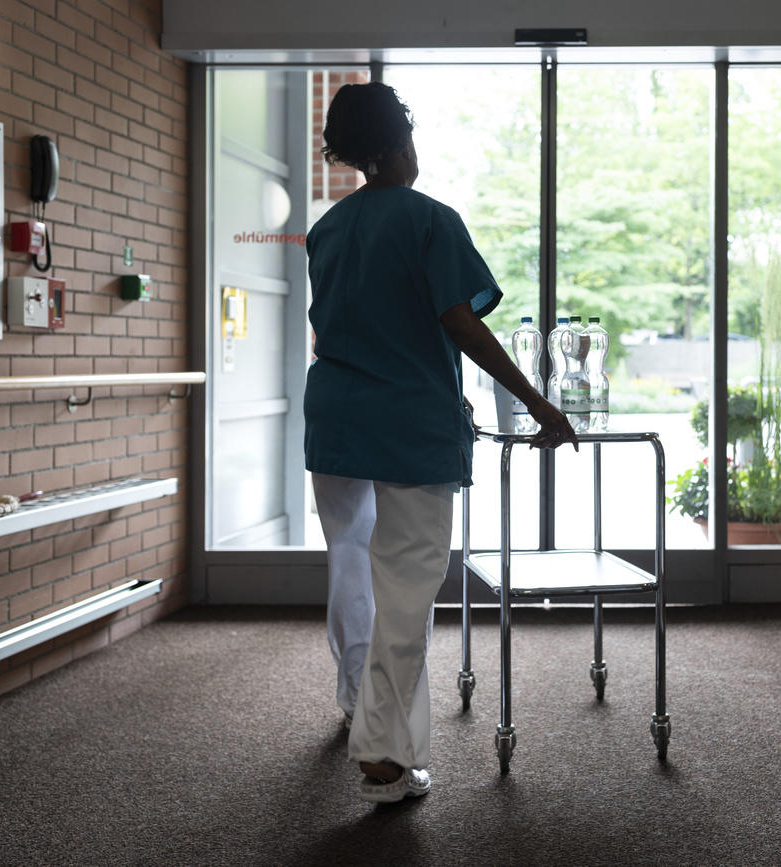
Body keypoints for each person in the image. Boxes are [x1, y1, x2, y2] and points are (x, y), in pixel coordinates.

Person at [305, 81, 577, 804]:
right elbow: (462, 323)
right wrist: (539, 403)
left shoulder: (328, 229)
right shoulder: (430, 220)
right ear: (399, 144)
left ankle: (358, 703)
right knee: (405, 583)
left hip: (335, 420)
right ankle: (385, 754)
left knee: (351, 571)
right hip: (408, 426)